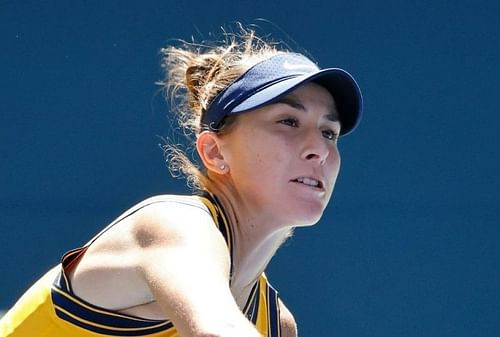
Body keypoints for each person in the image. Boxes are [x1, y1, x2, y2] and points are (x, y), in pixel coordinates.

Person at [0, 26, 362, 337]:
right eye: (288, 121)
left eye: (330, 133)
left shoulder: (276, 325)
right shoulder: (175, 224)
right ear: (215, 152)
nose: (319, 149)